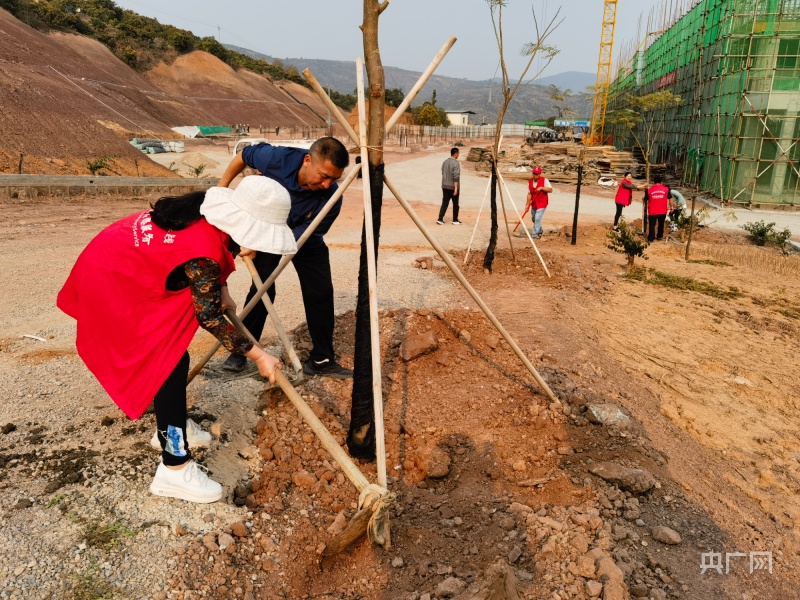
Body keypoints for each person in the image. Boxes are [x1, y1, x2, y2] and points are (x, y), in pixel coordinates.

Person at [57, 177, 289, 503]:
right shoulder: (204, 253)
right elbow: (209, 317)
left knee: (173, 360)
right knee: (168, 362)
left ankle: (172, 424)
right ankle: (174, 466)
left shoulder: (205, 212)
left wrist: (221, 289)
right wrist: (259, 356)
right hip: (113, 281)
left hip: (119, 261)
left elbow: (205, 269)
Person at [217, 137, 353, 379]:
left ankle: (322, 359)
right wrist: (221, 189)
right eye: (323, 175)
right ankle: (242, 353)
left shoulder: (333, 195)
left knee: (320, 291)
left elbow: (312, 230)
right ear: (307, 160)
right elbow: (243, 156)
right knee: (262, 289)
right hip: (268, 228)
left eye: (334, 179)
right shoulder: (277, 158)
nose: (326, 184)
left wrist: (283, 243)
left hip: (305, 236)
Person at [437, 147, 461, 225]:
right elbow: (456, 176)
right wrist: (456, 189)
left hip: (445, 186)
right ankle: (455, 219)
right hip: (452, 187)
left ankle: (440, 219)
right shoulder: (456, 163)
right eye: (458, 153)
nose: (458, 155)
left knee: (445, 203)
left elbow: (442, 172)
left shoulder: (445, 162)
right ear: (455, 153)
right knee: (455, 204)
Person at [527, 166, 553, 239]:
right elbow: (529, 194)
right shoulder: (529, 182)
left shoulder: (545, 180)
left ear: (539, 174)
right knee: (534, 218)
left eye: (537, 174)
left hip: (542, 203)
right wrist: (527, 205)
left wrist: (542, 188)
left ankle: (534, 235)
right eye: (534, 174)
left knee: (537, 218)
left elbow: (550, 190)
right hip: (534, 203)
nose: (535, 176)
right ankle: (540, 230)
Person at [644, 175, 671, 242]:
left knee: (652, 225)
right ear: (661, 182)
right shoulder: (666, 189)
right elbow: (670, 198)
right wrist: (672, 206)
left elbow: (646, 199)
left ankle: (651, 238)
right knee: (661, 223)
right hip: (662, 210)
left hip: (652, 210)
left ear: (654, 182)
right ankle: (659, 236)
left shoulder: (649, 190)